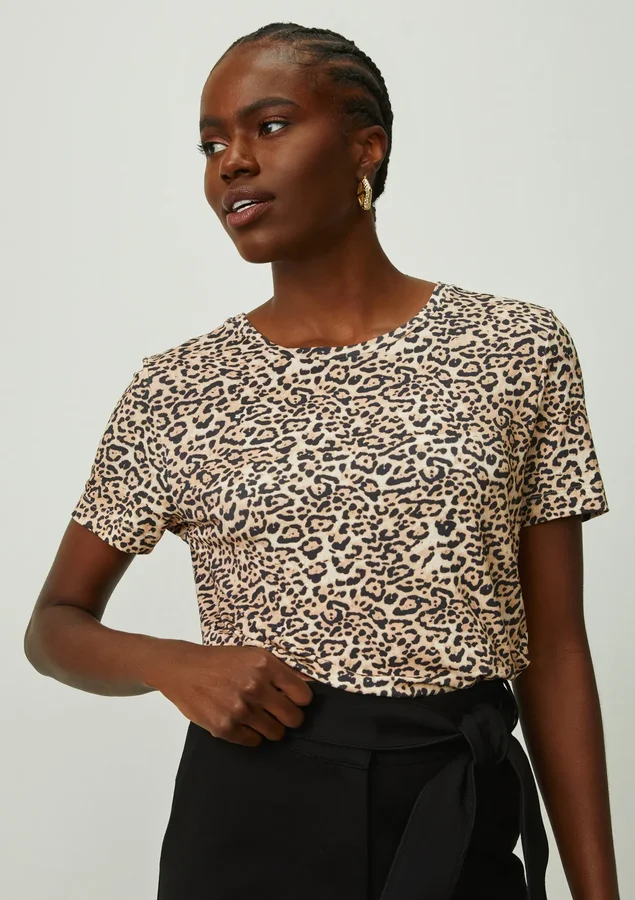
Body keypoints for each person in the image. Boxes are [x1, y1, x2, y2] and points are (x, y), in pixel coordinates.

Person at [23, 21, 620, 900]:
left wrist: (598, 891)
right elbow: (53, 625)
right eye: (211, 144)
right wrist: (172, 664)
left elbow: (556, 647)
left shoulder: (515, 348)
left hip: (456, 806)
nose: (231, 162)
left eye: (267, 126)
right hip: (251, 817)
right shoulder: (177, 388)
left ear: (364, 149)